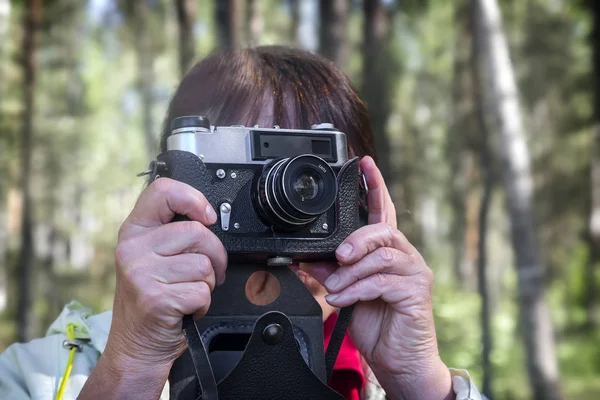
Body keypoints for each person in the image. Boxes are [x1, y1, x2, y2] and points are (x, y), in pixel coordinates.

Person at [0, 46, 483, 400]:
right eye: (240, 177)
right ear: (166, 186)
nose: (285, 210)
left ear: (361, 198)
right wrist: (132, 366)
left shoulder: (388, 379)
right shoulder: (44, 374)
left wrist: (418, 380)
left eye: (309, 180)